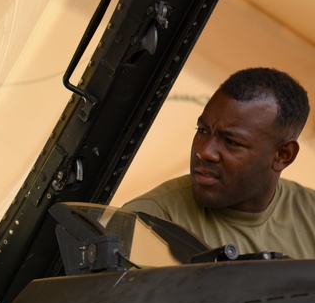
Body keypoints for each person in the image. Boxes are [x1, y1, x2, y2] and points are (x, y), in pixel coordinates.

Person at [123, 67, 315, 258]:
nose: (204, 152)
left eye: (231, 142)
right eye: (202, 131)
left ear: (283, 155)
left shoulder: (310, 213)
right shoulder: (147, 220)